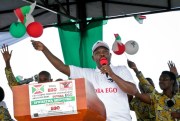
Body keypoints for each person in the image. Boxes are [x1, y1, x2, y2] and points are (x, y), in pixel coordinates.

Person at [31, 40, 138, 121]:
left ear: (110, 55)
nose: (101, 54)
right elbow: (62, 67)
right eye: (97, 52)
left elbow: (133, 91)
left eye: (105, 51)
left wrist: (112, 74)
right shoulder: (87, 73)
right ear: (93, 58)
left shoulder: (121, 70)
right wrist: (44, 50)